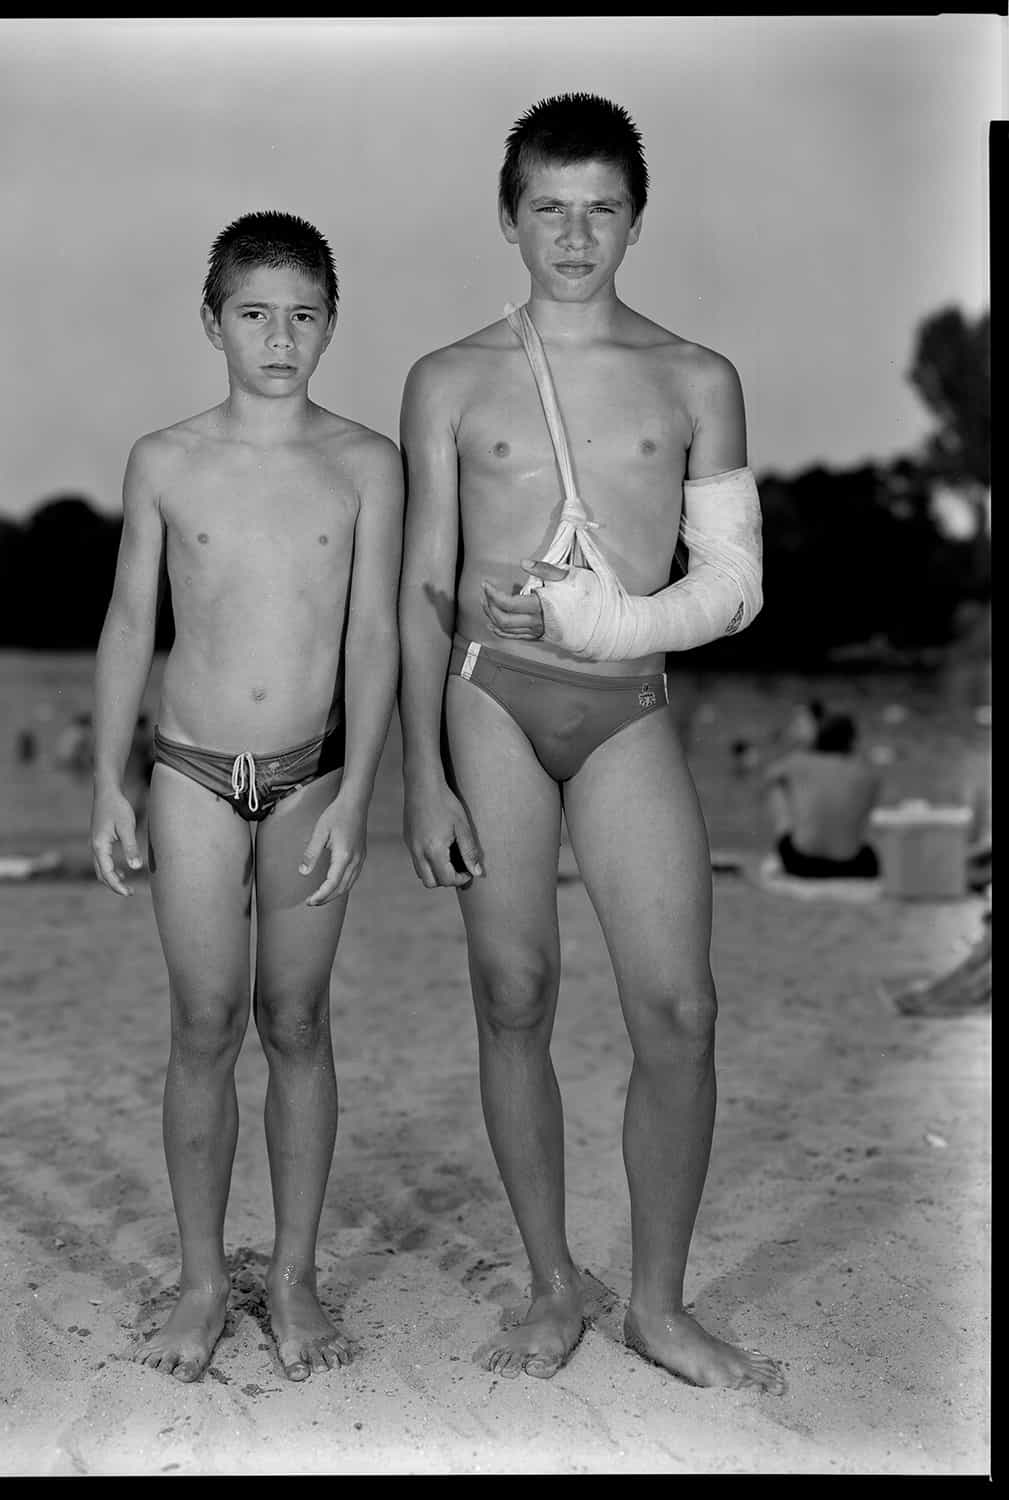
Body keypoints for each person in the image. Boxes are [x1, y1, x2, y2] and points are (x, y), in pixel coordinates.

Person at [398, 92, 784, 1392]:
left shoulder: (695, 378)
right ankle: (553, 1283)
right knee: (514, 995)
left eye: (600, 209)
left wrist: (604, 620)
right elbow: (424, 586)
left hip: (626, 704)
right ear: (511, 219)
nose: (574, 234)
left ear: (634, 219)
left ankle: (658, 1306)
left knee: (678, 1008)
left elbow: (731, 585)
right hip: (490, 694)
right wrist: (422, 781)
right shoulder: (448, 379)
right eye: (549, 209)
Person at [90, 210, 402, 1385]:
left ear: (332, 324)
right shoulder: (164, 459)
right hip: (187, 772)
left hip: (311, 770)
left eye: (304, 315)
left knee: (301, 1021)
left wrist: (362, 786)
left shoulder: (366, 460)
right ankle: (204, 1280)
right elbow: (132, 621)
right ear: (212, 321)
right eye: (255, 314)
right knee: (204, 1025)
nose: (281, 337)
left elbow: (374, 636)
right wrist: (106, 780)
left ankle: (302, 1277)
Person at [762, 712, 881, 878]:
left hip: (801, 862)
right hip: (853, 864)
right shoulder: (865, 771)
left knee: (777, 788)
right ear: (852, 740)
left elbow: (769, 777)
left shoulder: (798, 762)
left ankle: (789, 836)